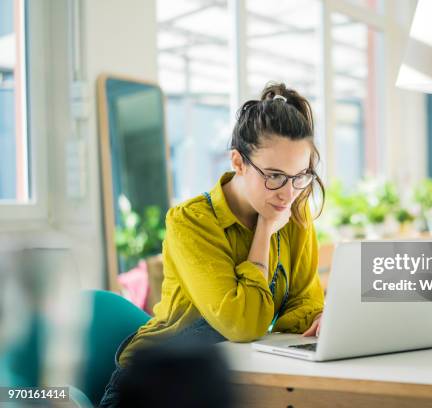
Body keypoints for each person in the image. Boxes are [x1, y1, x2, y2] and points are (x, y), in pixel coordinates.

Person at [99, 82, 326, 407]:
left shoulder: (293, 213)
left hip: (233, 374)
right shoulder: (190, 222)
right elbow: (243, 324)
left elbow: (304, 303)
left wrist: (316, 319)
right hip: (157, 382)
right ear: (238, 162)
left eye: (299, 176)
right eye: (274, 176)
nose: (288, 194)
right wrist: (264, 231)